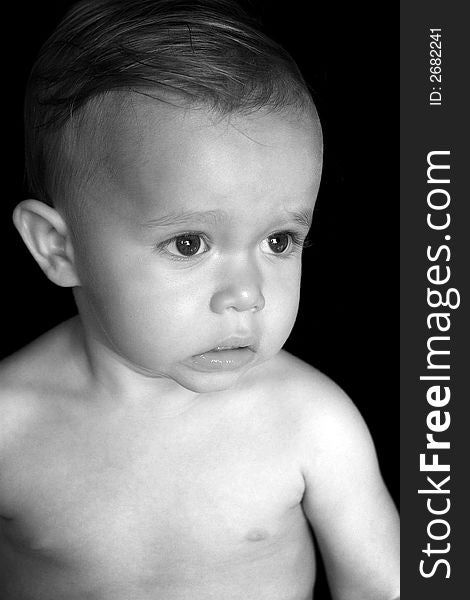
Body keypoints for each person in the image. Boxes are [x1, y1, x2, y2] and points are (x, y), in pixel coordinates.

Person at [0, 1, 399, 598]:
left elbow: (380, 584)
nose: (247, 294)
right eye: (189, 243)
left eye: (280, 240)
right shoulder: (10, 424)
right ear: (60, 248)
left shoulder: (310, 421)